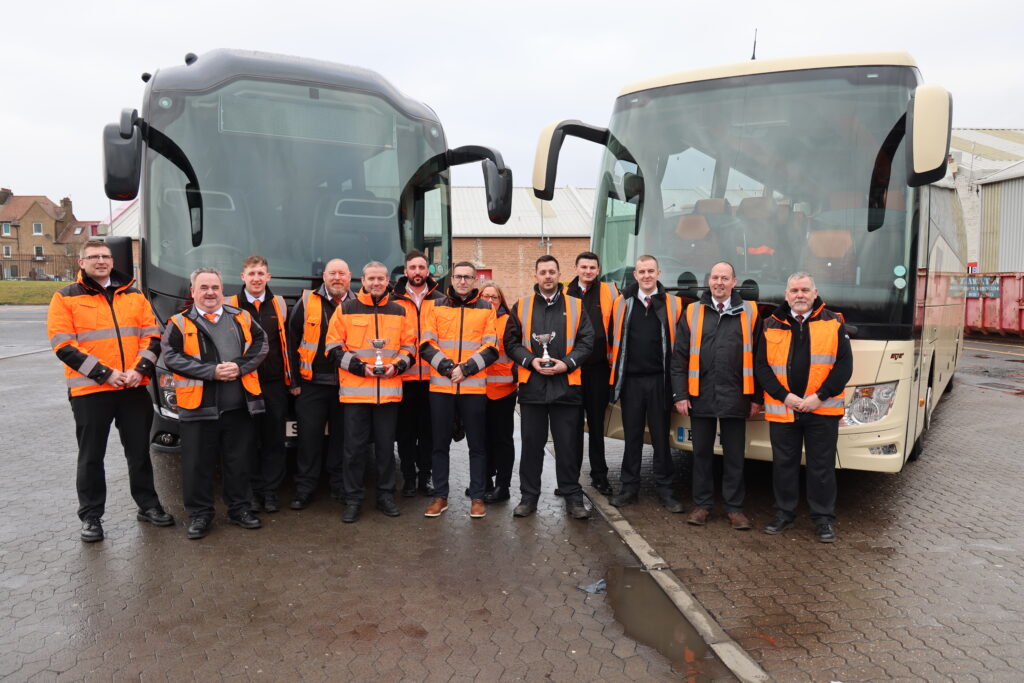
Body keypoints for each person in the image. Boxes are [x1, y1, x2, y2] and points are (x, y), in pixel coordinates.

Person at [47, 239, 173, 542]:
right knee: (91, 456)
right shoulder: (65, 298)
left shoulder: (134, 294)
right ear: (82, 263)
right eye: (93, 257)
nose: (101, 260)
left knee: (139, 453)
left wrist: (138, 370)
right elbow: (63, 346)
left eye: (105, 256)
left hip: (132, 387)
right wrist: (106, 374)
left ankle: (148, 506)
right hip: (91, 392)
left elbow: (152, 337)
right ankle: (91, 517)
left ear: (112, 261)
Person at [161, 267, 269, 539]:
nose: (210, 293)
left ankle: (240, 509)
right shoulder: (179, 322)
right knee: (197, 465)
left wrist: (239, 367)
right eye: (204, 288)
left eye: (215, 288)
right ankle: (200, 515)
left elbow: (261, 345)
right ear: (193, 292)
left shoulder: (241, 317)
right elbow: (171, 357)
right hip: (198, 408)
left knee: (239, 462)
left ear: (223, 291)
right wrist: (211, 371)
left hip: (238, 406)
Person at [755, 272, 852, 543]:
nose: (799, 295)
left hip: (821, 410)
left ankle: (823, 520)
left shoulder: (834, 323)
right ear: (786, 295)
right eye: (794, 290)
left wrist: (818, 397)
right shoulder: (770, 324)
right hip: (784, 409)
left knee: (821, 467)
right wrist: (785, 396)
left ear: (814, 292)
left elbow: (844, 367)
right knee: (784, 465)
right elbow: (761, 367)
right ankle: (784, 514)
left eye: (805, 290)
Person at [671, 261, 763, 530]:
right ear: (708, 280)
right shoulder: (692, 312)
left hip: (737, 396)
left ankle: (735, 509)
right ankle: (702, 506)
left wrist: (756, 397)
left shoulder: (750, 311)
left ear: (735, 282)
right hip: (701, 395)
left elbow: (759, 359)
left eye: (725, 278)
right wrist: (680, 394)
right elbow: (679, 358)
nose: (719, 283)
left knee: (735, 456)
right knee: (701, 455)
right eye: (715, 277)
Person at [504, 255, 595, 519]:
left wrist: (566, 364)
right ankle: (528, 498)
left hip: (566, 387)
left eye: (552, 272)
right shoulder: (521, 306)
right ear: (536, 275)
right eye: (543, 272)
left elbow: (587, 341)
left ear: (559, 274)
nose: (547, 276)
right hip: (532, 388)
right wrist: (531, 361)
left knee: (567, 447)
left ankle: (573, 498)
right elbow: (510, 342)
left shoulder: (576, 306)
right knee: (532, 446)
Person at [326, 261, 416, 523]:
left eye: (380, 278)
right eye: (371, 279)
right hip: (355, 394)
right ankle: (353, 499)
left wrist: (396, 366)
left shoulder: (399, 311)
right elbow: (332, 348)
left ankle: (386, 496)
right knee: (353, 450)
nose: (376, 283)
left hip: (388, 393)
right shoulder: (345, 309)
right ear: (362, 281)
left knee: (387, 449)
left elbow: (410, 347)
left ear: (388, 280)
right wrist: (360, 368)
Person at [419, 262, 498, 518]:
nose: (462, 281)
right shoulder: (435, 306)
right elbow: (426, 344)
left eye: (467, 277)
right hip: (441, 388)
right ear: (451, 279)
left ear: (475, 280)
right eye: (458, 276)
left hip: (473, 389)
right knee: (439, 445)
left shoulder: (487, 308)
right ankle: (440, 496)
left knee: (477, 445)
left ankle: (477, 497)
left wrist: (465, 369)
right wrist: (448, 368)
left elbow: (492, 348)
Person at [607, 255, 684, 512]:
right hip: (631, 382)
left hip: (660, 382)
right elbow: (612, 340)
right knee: (632, 438)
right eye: (642, 271)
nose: (647, 275)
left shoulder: (673, 304)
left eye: (651, 271)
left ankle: (665, 490)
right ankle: (629, 488)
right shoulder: (622, 303)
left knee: (662, 438)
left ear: (659, 272)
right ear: (636, 275)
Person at [287, 258, 353, 510]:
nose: (337, 278)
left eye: (342, 274)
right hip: (311, 384)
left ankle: (338, 485)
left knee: (342, 439)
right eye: (332, 273)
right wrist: (293, 380)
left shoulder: (358, 303)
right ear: (323, 276)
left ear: (349, 277)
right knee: (308, 439)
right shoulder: (306, 302)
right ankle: (305, 488)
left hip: (347, 384)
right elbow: (291, 344)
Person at [227, 255, 292, 514]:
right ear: (243, 277)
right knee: (247, 441)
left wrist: (291, 381)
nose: (256, 278)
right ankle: (252, 493)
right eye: (251, 273)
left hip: (275, 384)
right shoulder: (230, 305)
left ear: (268, 277)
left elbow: (287, 344)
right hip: (244, 384)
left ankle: (270, 492)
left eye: (261, 273)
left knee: (274, 440)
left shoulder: (279, 304)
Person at [565, 252, 619, 496]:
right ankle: (571, 480)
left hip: (598, 370)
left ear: (598, 270)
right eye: (584, 267)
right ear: (576, 268)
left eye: (592, 267)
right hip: (572, 371)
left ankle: (600, 476)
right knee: (573, 428)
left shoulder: (610, 292)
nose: (588, 271)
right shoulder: (565, 293)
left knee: (597, 427)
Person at [393, 249, 444, 497]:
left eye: (421, 267)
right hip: (404, 378)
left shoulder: (442, 299)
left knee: (429, 433)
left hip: (434, 378)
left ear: (428, 270)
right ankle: (409, 478)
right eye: (412, 268)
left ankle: (426, 478)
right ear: (405, 271)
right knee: (405, 433)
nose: (417, 272)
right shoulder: (393, 301)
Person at [480, 281, 517, 504]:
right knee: (480, 439)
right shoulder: (475, 319)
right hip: (477, 389)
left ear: (501, 300)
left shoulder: (509, 321)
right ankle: (483, 482)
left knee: (502, 440)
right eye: (485, 296)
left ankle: (503, 486)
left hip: (503, 390)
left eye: (494, 297)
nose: (490, 301)